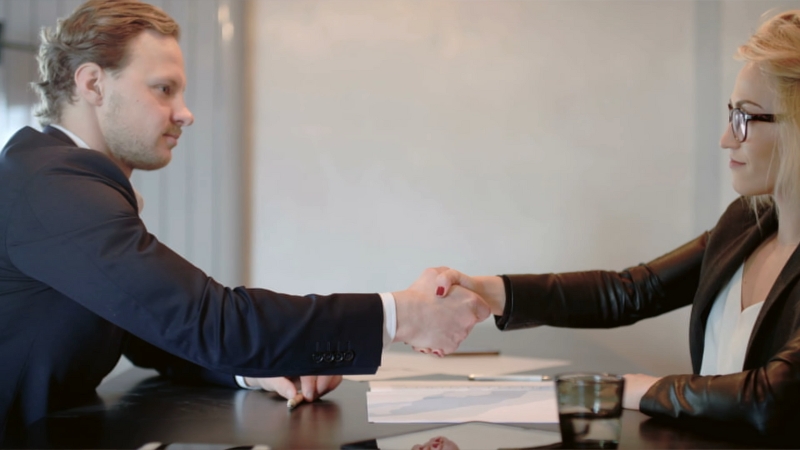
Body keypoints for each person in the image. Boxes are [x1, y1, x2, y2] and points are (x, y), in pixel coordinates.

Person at [0, 0, 490, 442]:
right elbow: (207, 319)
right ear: (92, 84)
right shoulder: (50, 185)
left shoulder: (56, 174)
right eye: (163, 89)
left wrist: (251, 370)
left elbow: (146, 328)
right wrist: (403, 314)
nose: (185, 113)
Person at [433, 9, 800, 439]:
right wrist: (487, 291)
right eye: (729, 113)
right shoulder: (746, 223)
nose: (725, 138)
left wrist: (628, 388)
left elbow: (768, 397)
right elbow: (631, 291)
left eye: (745, 117)